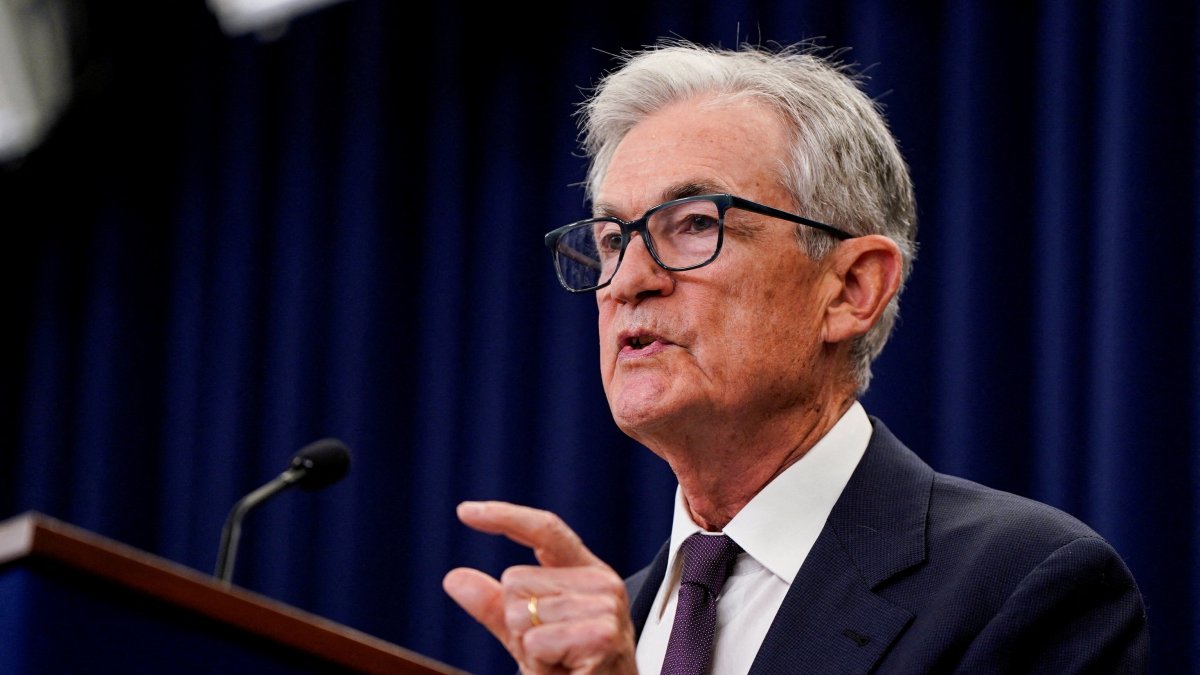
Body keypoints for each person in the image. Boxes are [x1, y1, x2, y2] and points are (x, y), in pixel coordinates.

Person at [442, 38, 1149, 673]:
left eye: (693, 224)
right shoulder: (604, 631)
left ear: (851, 287)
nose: (627, 281)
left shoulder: (1024, 587)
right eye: (610, 239)